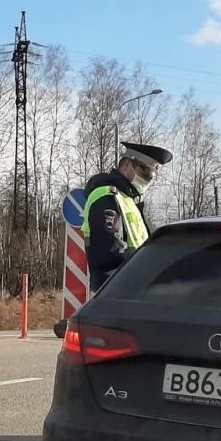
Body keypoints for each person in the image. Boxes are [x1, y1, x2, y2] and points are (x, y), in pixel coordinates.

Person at [54, 141, 172, 338]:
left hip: (131, 297)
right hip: (118, 298)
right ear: (127, 165)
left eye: (151, 176)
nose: (147, 180)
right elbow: (108, 254)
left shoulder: (127, 200)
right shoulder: (106, 196)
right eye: (145, 174)